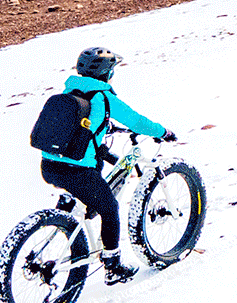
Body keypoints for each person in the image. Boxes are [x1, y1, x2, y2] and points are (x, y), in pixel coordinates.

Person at [43, 46, 175, 285]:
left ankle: (71, 215)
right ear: (106, 73)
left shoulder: (71, 91)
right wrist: (162, 131)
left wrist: (105, 127)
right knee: (110, 209)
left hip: (50, 165)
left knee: (93, 184)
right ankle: (113, 266)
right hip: (78, 171)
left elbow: (81, 125)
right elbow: (136, 121)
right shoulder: (104, 97)